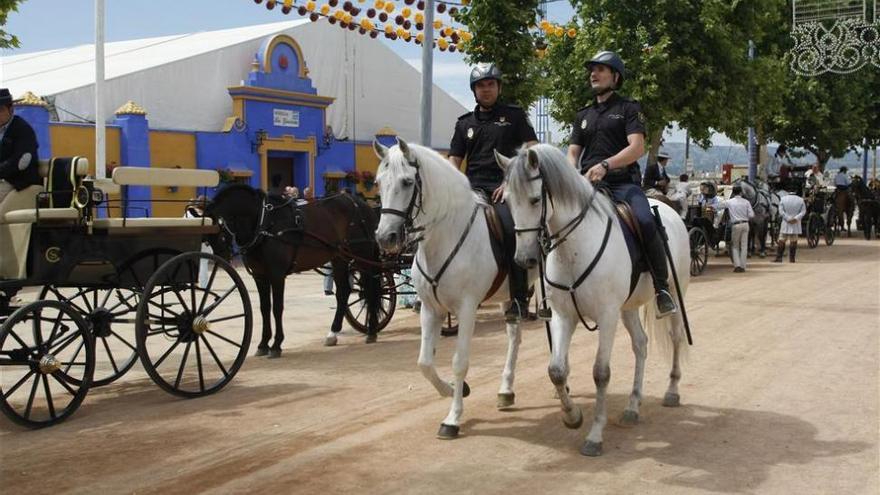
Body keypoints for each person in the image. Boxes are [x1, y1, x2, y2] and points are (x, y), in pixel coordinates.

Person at [566, 50, 676, 317]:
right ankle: (551, 291)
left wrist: (606, 165)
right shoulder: (583, 114)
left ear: (615, 77)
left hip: (622, 184)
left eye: (601, 70)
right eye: (592, 69)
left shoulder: (629, 109)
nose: (594, 74)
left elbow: (637, 148)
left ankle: (661, 288)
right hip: (588, 185)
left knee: (645, 219)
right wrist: (572, 176)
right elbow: (572, 152)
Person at [448, 62, 539, 322]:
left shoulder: (515, 116)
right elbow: (455, 160)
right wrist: (456, 185)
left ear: (498, 87)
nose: (485, 90)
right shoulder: (464, 123)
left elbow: (533, 150)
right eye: (480, 86)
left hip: (505, 189)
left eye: (490, 84)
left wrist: (511, 182)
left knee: (511, 231)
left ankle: (519, 298)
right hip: (472, 189)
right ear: (474, 91)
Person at [0, 88, 41, 205]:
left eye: (0, 110)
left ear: (11, 110)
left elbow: (21, 161)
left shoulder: (22, 129)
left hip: (18, 182)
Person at [721, 185, 754, 272]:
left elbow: (719, 206)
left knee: (735, 246)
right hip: (745, 224)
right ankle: (743, 266)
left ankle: (737, 266)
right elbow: (751, 215)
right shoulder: (746, 202)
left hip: (735, 225)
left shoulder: (730, 202)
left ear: (733, 193)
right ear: (741, 192)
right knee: (744, 246)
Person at [184, 195, 213, 288]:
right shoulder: (209, 215)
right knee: (203, 264)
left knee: (192, 263)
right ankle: (204, 285)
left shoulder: (188, 213)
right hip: (205, 243)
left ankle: (193, 282)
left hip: (191, 241)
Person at [774, 188, 806, 263]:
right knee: (794, 240)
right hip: (796, 223)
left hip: (785, 222)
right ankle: (792, 259)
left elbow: (781, 211)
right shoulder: (800, 200)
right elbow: (803, 211)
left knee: (782, 239)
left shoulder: (783, 199)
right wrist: (796, 218)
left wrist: (788, 218)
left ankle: (779, 257)